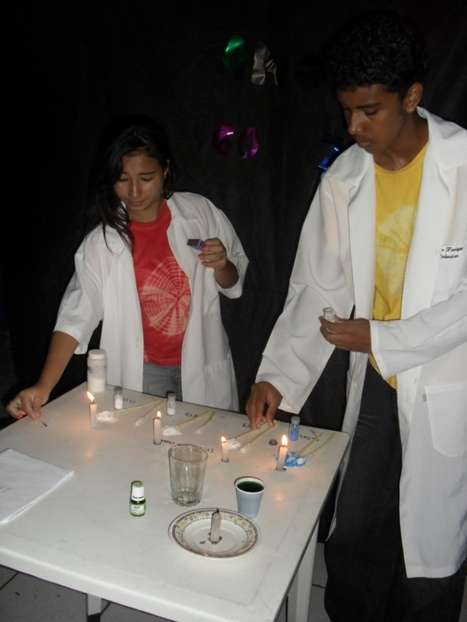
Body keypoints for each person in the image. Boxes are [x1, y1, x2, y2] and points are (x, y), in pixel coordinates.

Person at [246, 11, 466, 622]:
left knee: (432, 532)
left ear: (411, 97)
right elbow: (316, 285)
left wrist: (383, 336)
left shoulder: (463, 166)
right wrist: (278, 375)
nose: (354, 127)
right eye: (347, 111)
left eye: (370, 111)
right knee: (357, 518)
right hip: (375, 376)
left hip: (447, 372)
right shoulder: (345, 178)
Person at [8, 116, 248, 420]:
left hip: (203, 364)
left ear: (165, 170)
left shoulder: (199, 214)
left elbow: (233, 283)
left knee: (208, 441)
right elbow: (75, 317)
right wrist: (43, 387)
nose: (134, 192)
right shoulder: (103, 244)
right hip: (143, 374)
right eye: (122, 179)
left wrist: (223, 264)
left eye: (146, 178)